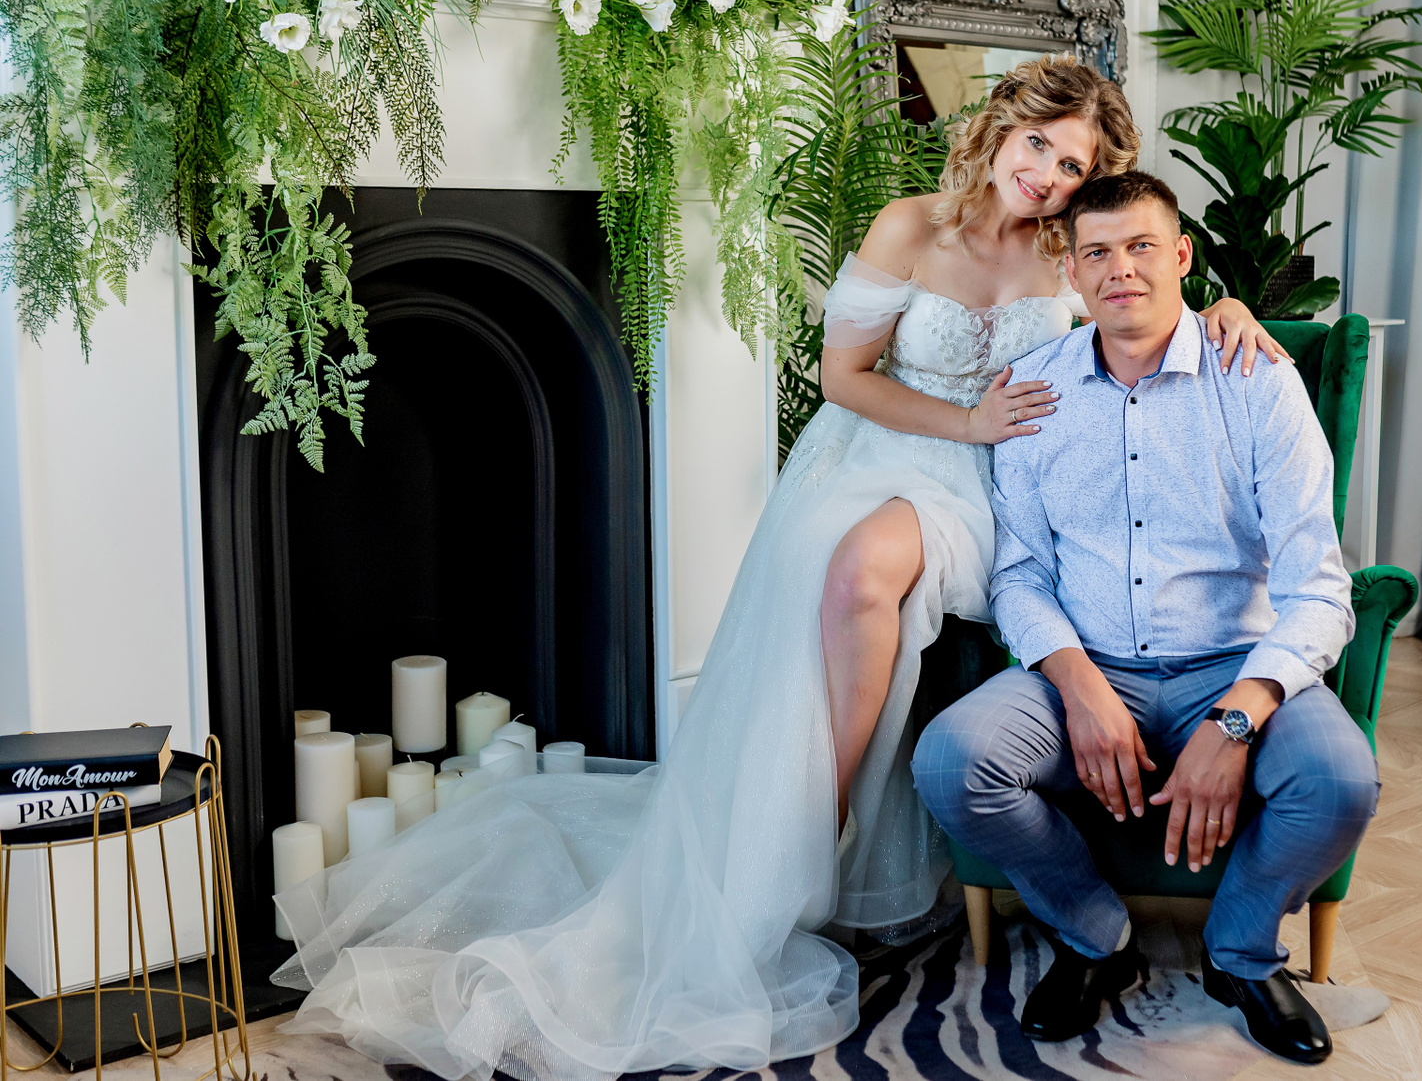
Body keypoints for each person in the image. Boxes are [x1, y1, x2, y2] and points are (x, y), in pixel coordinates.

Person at [271, 58, 1285, 1080]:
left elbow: (1150, 296)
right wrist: (965, 419)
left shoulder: (1073, 248)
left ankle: (818, 821)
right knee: (840, 571)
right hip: (891, 444)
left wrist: (1231, 309)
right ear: (999, 129)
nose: (1049, 176)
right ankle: (810, 818)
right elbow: (845, 378)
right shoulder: (909, 227)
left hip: (1002, 485)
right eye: (1038, 145)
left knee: (864, 567)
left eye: (1073, 164)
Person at [912, 170, 1380, 1067]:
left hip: (1234, 661)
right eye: (1097, 252)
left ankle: (1240, 954)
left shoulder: (1258, 381)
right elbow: (1019, 574)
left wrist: (1237, 718)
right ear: (1072, 272)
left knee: (1340, 782)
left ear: (1182, 255)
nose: (1120, 269)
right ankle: (1096, 934)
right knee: (950, 762)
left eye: (1140, 247)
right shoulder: (1034, 390)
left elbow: (1320, 587)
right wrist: (1081, 690)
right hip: (1086, 664)